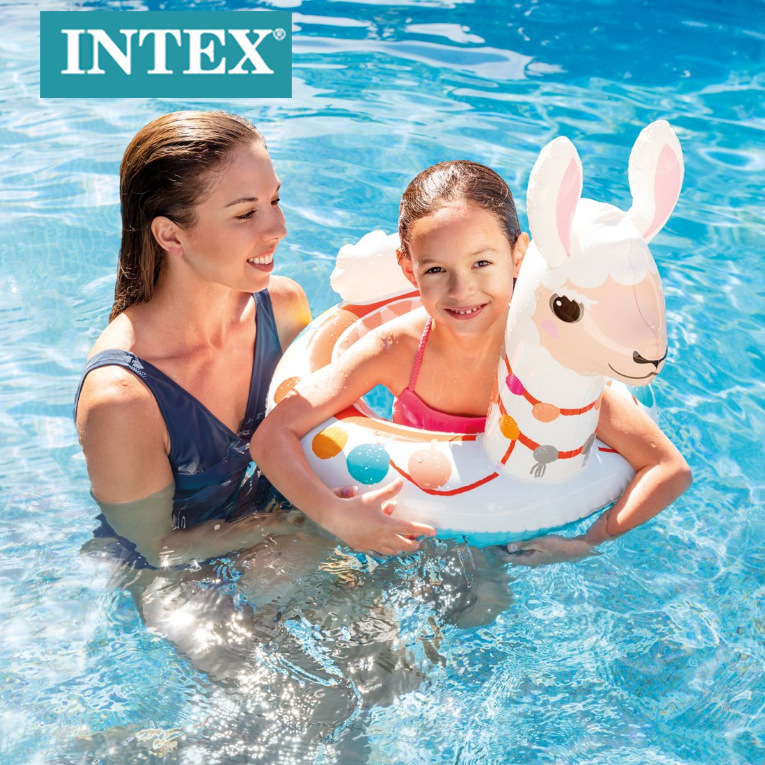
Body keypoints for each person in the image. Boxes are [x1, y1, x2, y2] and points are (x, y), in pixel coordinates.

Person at [251, 160, 692, 563]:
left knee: (482, 605)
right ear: (408, 270)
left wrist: (587, 543)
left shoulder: (547, 360)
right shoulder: (396, 349)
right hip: (401, 527)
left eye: (481, 262)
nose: (461, 291)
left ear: (518, 255)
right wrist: (336, 517)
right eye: (436, 270)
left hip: (501, 536)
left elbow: (668, 468)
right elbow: (273, 435)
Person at [75, 110, 315, 569]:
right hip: (177, 574)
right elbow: (156, 547)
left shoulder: (283, 309)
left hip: (278, 535)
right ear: (171, 235)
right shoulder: (121, 399)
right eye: (245, 213)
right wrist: (280, 526)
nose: (278, 228)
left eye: (275, 200)